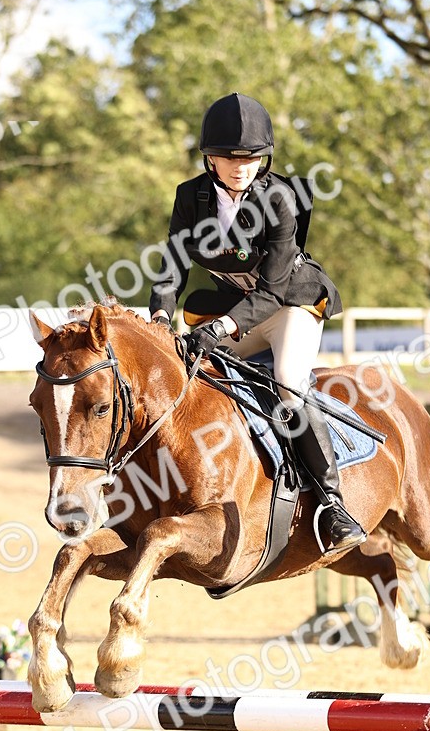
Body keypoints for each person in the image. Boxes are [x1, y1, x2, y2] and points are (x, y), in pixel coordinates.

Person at [149, 91, 365, 556]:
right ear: (210, 158)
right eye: (229, 157)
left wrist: (221, 328)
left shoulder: (280, 199)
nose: (240, 166)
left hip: (290, 307)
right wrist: (161, 317)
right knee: (190, 370)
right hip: (237, 311)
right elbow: (172, 267)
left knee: (287, 381)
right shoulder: (190, 197)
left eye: (250, 157)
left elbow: (272, 291)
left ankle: (333, 504)